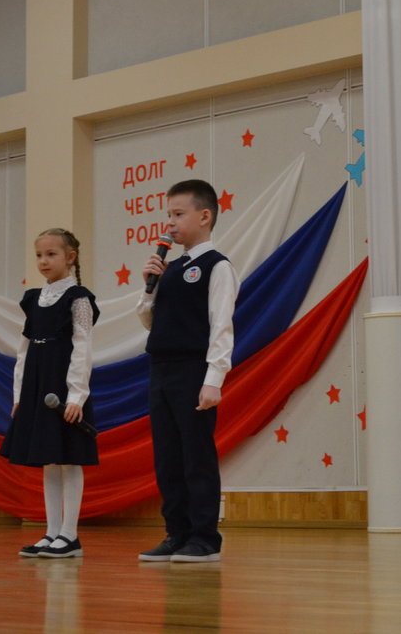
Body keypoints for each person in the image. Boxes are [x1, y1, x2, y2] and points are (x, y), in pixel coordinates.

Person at [136, 179, 238, 563]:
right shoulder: (171, 267)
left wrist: (213, 379)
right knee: (168, 458)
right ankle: (176, 533)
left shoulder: (217, 266)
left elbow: (221, 326)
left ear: (204, 216)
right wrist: (149, 288)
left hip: (193, 370)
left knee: (196, 456)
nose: (170, 223)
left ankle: (205, 538)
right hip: (160, 369)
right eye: (169, 215)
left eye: (178, 214)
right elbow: (151, 322)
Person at [0, 228, 99, 559]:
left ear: (70, 258)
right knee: (50, 461)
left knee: (69, 458)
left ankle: (70, 535)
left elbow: (83, 347)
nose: (43, 261)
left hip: (63, 385)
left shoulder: (78, 298)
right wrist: (19, 396)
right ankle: (52, 531)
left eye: (51, 254)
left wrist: (76, 395)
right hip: (37, 385)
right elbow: (23, 350)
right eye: (39, 255)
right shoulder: (32, 299)